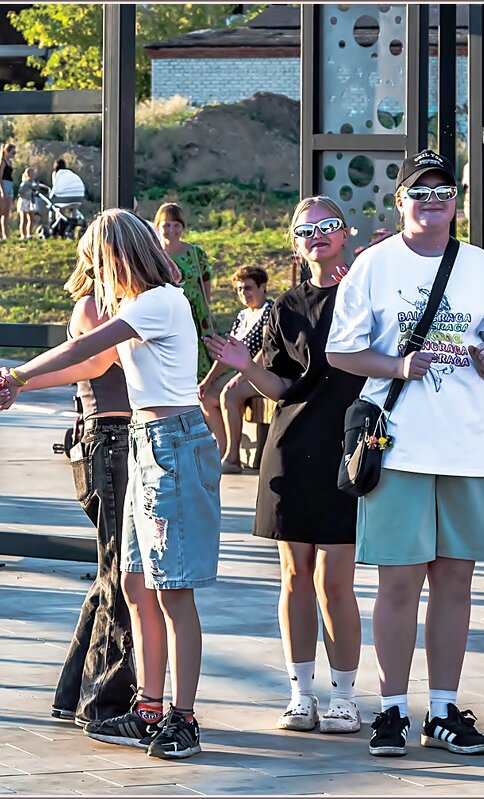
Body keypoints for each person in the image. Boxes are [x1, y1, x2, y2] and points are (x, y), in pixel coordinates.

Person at [0, 209, 220, 760]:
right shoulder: (137, 308)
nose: (91, 273)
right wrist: (26, 385)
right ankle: (147, 708)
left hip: (173, 441)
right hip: (143, 440)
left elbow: (81, 350)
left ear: (118, 256)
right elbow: (90, 369)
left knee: (172, 592)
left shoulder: (161, 302)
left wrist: (18, 373)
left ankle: (182, 719)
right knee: (137, 586)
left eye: (94, 260)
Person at [326, 148, 484, 758]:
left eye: (442, 191)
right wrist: (399, 364)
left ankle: (442, 709)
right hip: (398, 443)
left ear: (456, 201)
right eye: (419, 191)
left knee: (456, 580)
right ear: (400, 200)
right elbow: (341, 352)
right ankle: (389, 710)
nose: (432, 201)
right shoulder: (374, 266)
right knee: (399, 581)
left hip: (467, 446)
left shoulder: (482, 266)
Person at [204, 196, 367, 736]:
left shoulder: (368, 292)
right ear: (293, 244)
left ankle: (344, 696)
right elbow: (280, 388)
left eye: (327, 227)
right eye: (305, 230)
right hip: (291, 447)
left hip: (348, 448)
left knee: (335, 581)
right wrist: (243, 365)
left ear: (345, 234)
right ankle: (301, 695)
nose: (317, 236)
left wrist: (369, 265)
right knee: (295, 576)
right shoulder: (284, 307)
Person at [0, 250, 138, 725]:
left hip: (123, 441)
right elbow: (90, 365)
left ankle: (74, 693)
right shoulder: (96, 305)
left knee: (112, 573)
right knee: (120, 573)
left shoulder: (132, 301)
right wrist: (20, 381)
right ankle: (103, 701)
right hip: (109, 442)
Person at [198, 265, 274, 473]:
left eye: (248, 288)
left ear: (262, 286)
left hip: (265, 373)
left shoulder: (271, 311)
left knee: (229, 394)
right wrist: (208, 380)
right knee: (206, 395)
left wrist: (244, 372)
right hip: (242, 372)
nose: (244, 293)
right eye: (240, 289)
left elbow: (268, 348)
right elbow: (228, 351)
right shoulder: (242, 316)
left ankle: (233, 458)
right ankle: (222, 452)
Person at [154, 203, 216, 379]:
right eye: (166, 225)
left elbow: (205, 279)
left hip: (195, 313)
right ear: (158, 226)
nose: (171, 230)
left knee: (198, 356)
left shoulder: (195, 253)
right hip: (167, 314)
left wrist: (206, 307)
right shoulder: (153, 254)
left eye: (176, 225)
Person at [0, 142, 17, 241]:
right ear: (6, 152)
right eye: (13, 152)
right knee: (0, 212)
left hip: (9, 186)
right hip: (2, 186)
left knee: (6, 213)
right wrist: (2, 191)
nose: (14, 155)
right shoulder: (1, 162)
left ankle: (5, 234)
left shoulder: (10, 163)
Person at [17, 167, 39, 240]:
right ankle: (23, 235)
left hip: (30, 201)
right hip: (24, 200)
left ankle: (29, 234)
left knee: (31, 218)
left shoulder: (33, 183)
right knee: (23, 219)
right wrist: (27, 189)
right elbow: (20, 193)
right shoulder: (25, 183)